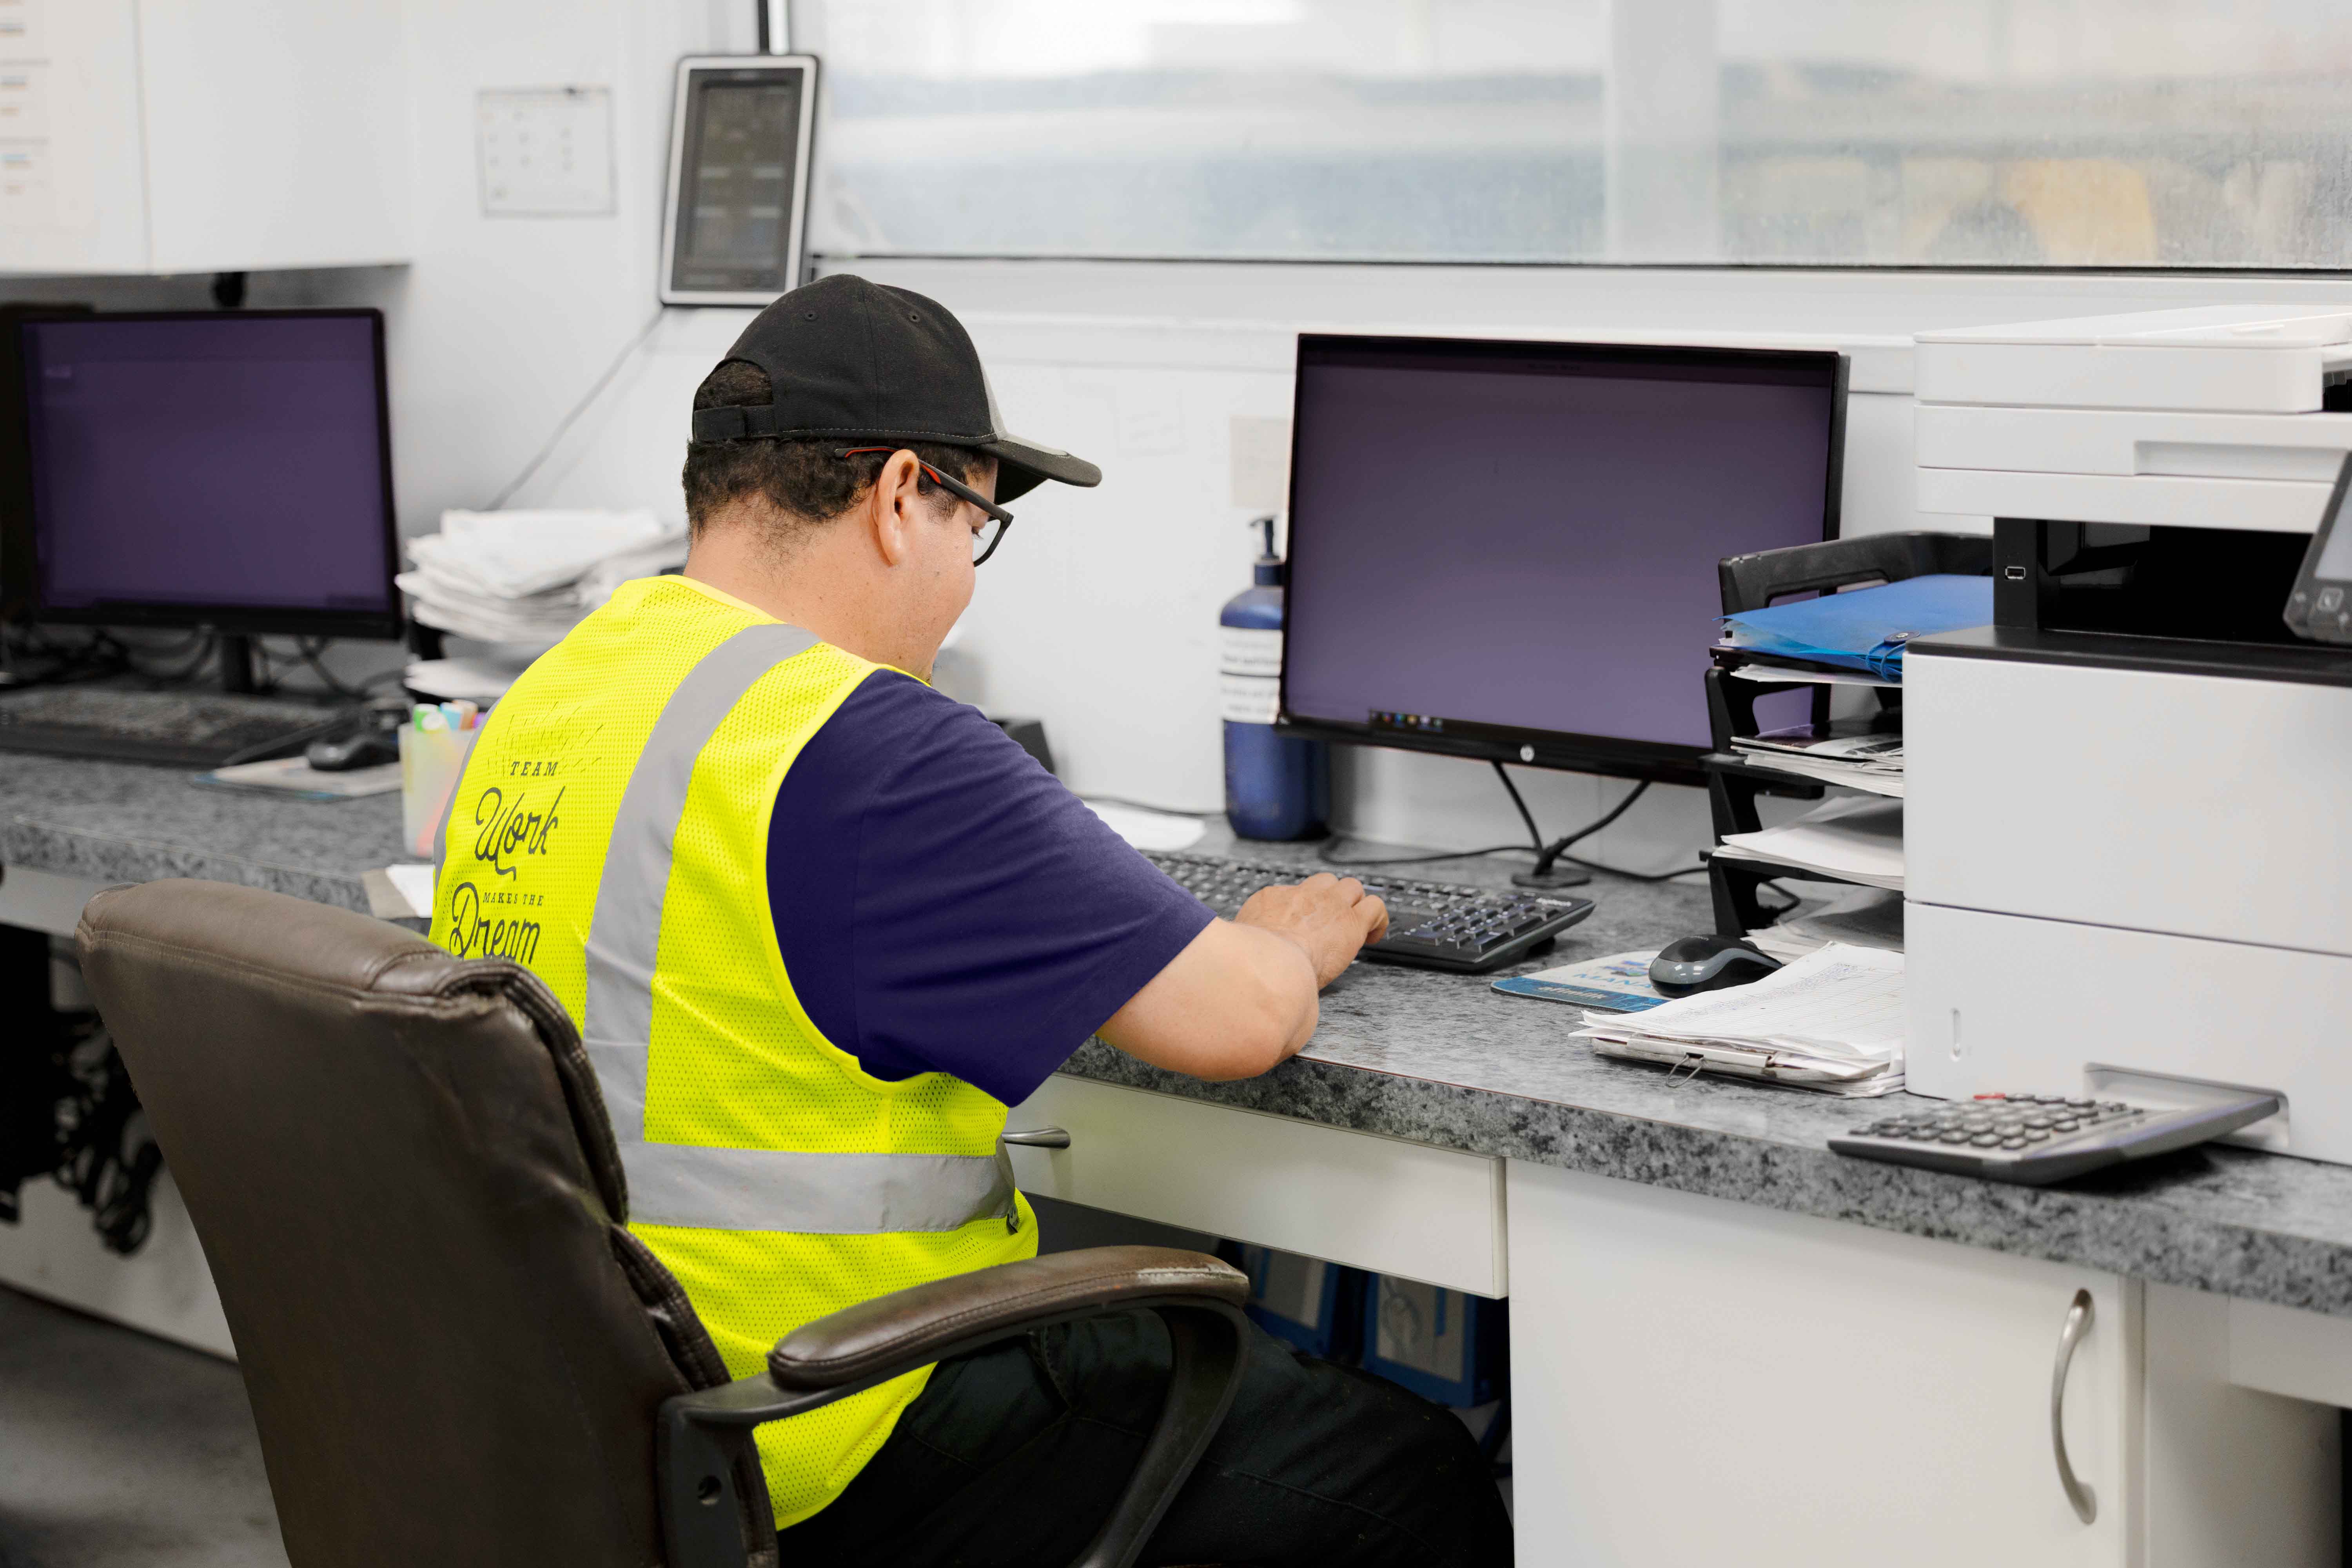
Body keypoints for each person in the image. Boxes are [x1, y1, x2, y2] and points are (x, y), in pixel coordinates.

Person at [428, 272, 1511, 1567]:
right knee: (1407, 1480)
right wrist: (1291, 934)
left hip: (580, 1417)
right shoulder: (856, 738)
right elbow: (1240, 1019)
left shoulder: (551, 696)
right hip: (822, 1424)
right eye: (976, 530)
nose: (965, 584)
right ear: (898, 498)